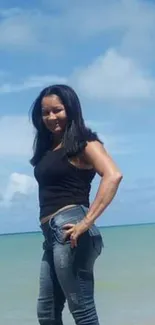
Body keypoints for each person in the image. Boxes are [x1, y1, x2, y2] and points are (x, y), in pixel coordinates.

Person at [30, 84, 123, 325]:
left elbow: (113, 175)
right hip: (52, 235)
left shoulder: (84, 142)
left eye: (57, 110)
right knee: (47, 312)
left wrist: (86, 222)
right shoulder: (47, 147)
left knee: (81, 310)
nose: (51, 117)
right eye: (45, 112)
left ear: (70, 109)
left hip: (72, 229)